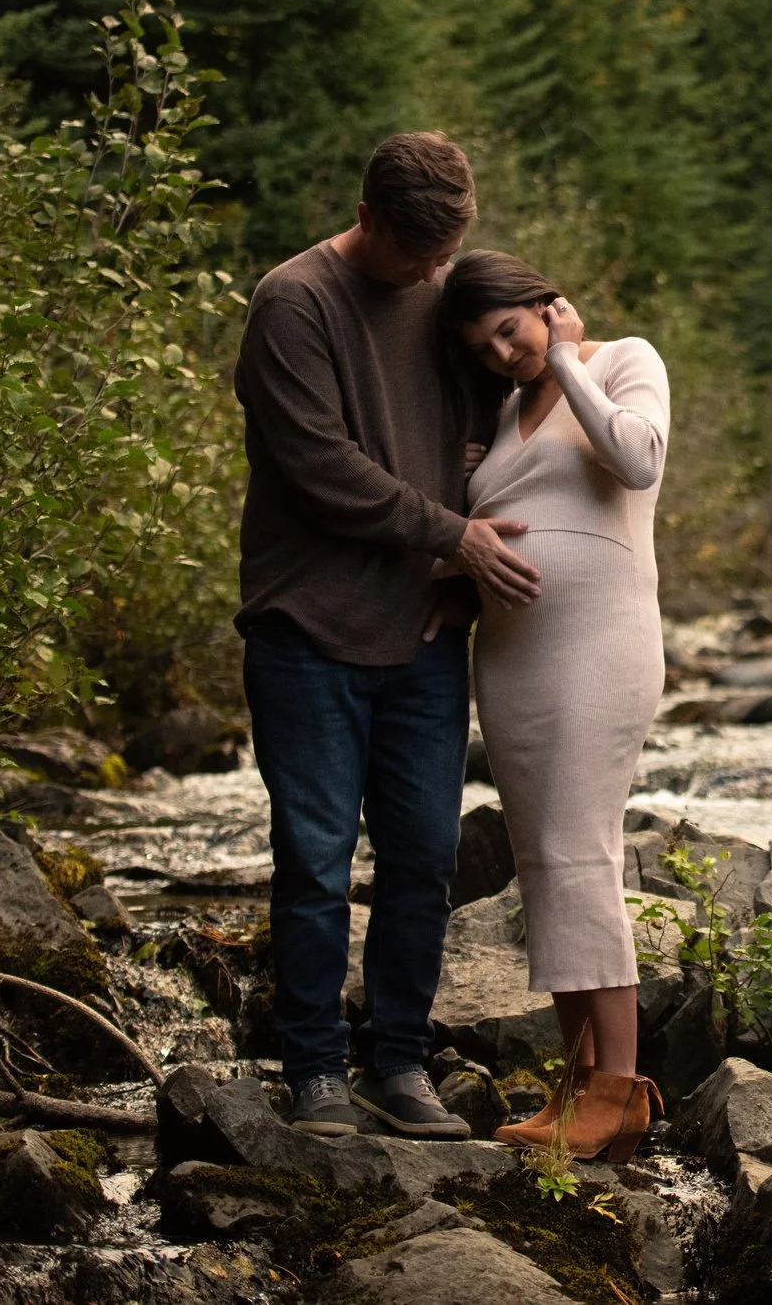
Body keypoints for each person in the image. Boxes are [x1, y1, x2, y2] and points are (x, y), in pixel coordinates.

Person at [234, 133, 542, 1138]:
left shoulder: (442, 286)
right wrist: (449, 532)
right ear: (367, 215)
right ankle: (315, 1067)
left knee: (423, 854)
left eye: (447, 251)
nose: (432, 272)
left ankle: (397, 1063)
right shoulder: (294, 302)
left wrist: (454, 577)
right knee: (317, 857)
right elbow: (319, 463)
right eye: (418, 255)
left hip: (420, 630)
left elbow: (485, 425)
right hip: (307, 626)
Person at [438, 251, 671, 1162]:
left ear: (546, 303)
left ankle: (618, 1087)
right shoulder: (496, 414)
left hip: (599, 650)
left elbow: (637, 460)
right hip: (512, 661)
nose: (502, 353)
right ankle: (580, 1087)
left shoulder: (621, 360)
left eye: (511, 328)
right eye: (482, 345)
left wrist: (569, 358)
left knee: (580, 855)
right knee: (546, 867)